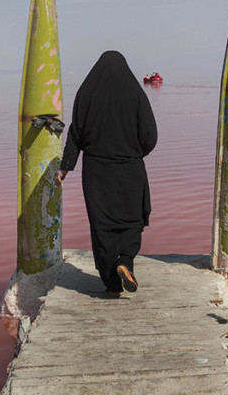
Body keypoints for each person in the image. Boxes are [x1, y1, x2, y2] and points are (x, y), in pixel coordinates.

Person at [55, 50, 158, 294]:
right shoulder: (135, 94)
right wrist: (133, 153)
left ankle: (111, 283)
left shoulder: (87, 93)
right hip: (129, 169)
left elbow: (75, 133)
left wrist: (65, 167)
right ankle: (125, 261)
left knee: (102, 226)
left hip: (96, 172)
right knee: (132, 220)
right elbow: (150, 136)